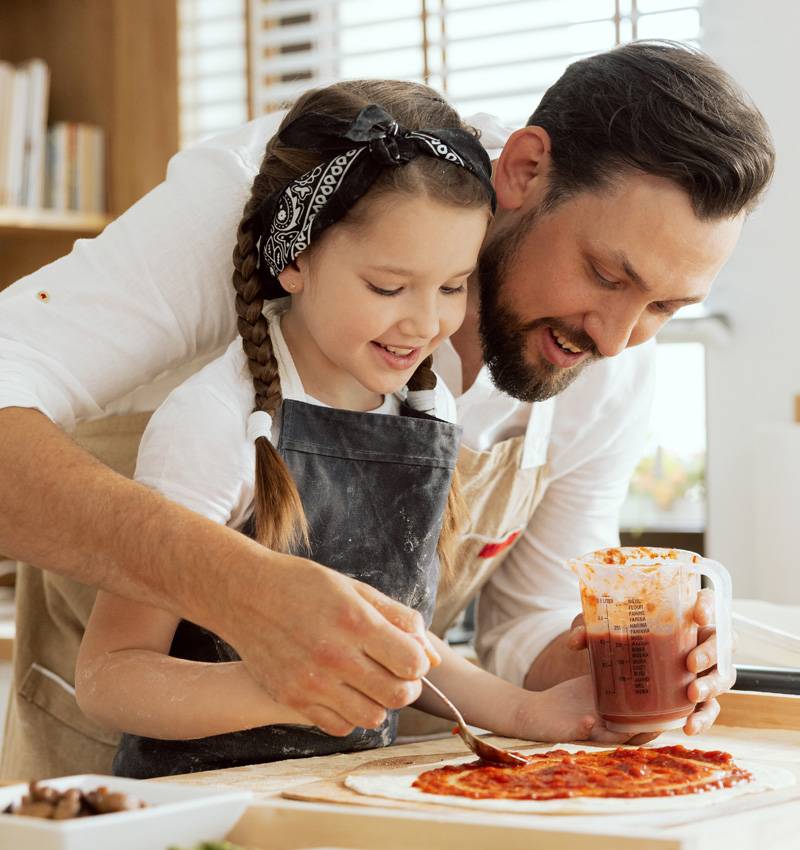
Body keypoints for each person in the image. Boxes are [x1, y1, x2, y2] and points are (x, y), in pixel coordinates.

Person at [0, 42, 774, 779]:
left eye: (668, 306)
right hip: (107, 782)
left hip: (351, 784)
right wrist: (238, 587)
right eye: (605, 274)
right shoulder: (311, 190)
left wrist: (615, 668)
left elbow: (517, 627)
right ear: (527, 168)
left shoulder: (600, 362)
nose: (617, 337)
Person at [75, 80, 643, 779]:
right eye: (386, 287)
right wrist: (284, 681)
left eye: (452, 285)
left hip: (345, 797)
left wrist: (532, 713)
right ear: (296, 258)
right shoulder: (213, 423)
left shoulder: (422, 412)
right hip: (201, 805)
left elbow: (403, 649)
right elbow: (111, 677)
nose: (424, 324)